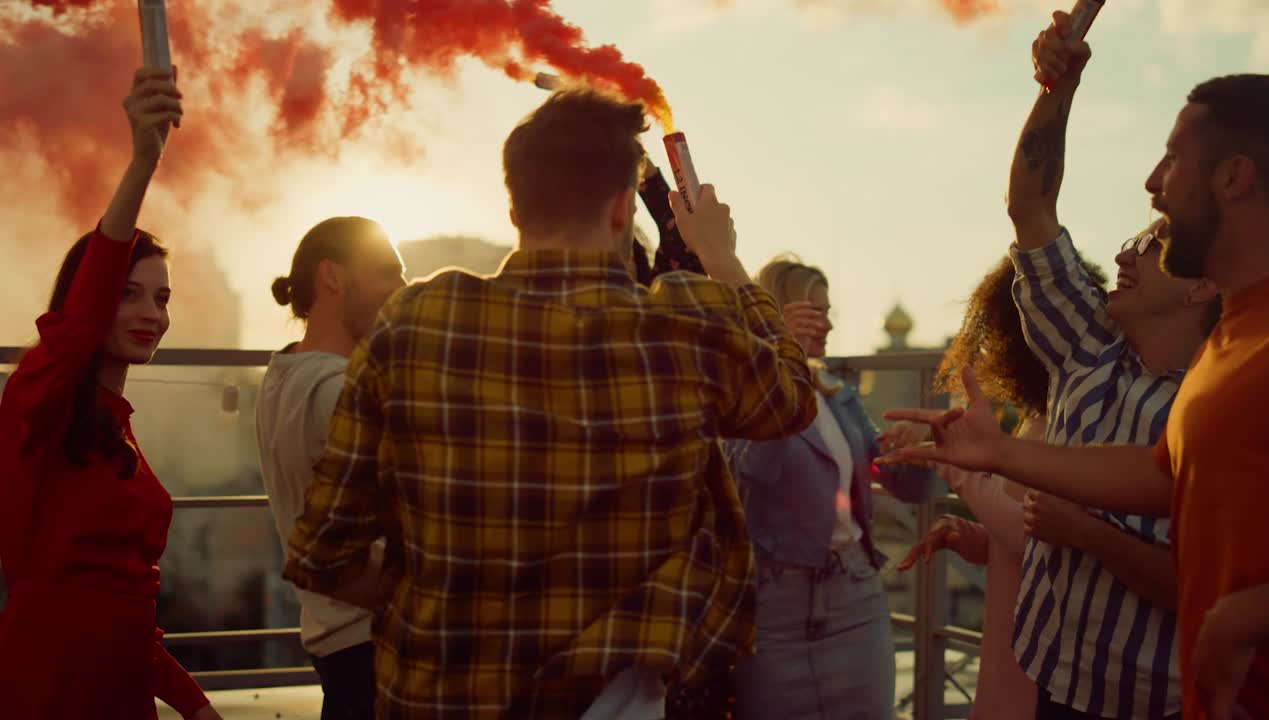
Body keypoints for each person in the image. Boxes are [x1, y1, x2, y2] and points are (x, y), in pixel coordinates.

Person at [282, 87, 817, 718]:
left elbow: (323, 553)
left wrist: (437, 592)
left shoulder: (415, 324)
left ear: (514, 207)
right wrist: (720, 255)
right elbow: (792, 399)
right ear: (622, 210)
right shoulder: (684, 325)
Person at [879, 24, 1269, 720]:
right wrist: (1002, 452)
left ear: (1235, 176)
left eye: (1173, 158)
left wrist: (1245, 615)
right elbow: (1166, 475)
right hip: (1062, 686)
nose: (1153, 185)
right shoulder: (1222, 343)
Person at [0, 68, 220, 720]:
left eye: (161, 297)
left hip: (121, 694)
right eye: (127, 293)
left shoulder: (117, 430)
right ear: (92, 299)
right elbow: (77, 328)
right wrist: (143, 163)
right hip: (50, 689)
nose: (150, 312)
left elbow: (128, 615)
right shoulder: (39, 403)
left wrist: (197, 706)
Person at [898, 255, 1108, 720]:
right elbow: (1018, 539)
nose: (992, 353)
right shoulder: (1039, 416)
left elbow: (1034, 532)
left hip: (1037, 667)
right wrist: (972, 537)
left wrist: (957, 468)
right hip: (1009, 653)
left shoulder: (1077, 421)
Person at [725, 256, 934, 720]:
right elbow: (757, 471)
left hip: (854, 598)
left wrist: (916, 452)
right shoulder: (738, 389)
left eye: (828, 310)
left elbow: (902, 484)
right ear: (771, 312)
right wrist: (783, 361)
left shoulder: (836, 391)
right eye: (813, 311)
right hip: (772, 612)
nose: (828, 324)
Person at [256, 216, 405, 719]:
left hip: (335, 649)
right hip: (378, 647)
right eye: (387, 271)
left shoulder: (283, 375)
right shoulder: (342, 390)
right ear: (333, 277)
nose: (400, 289)